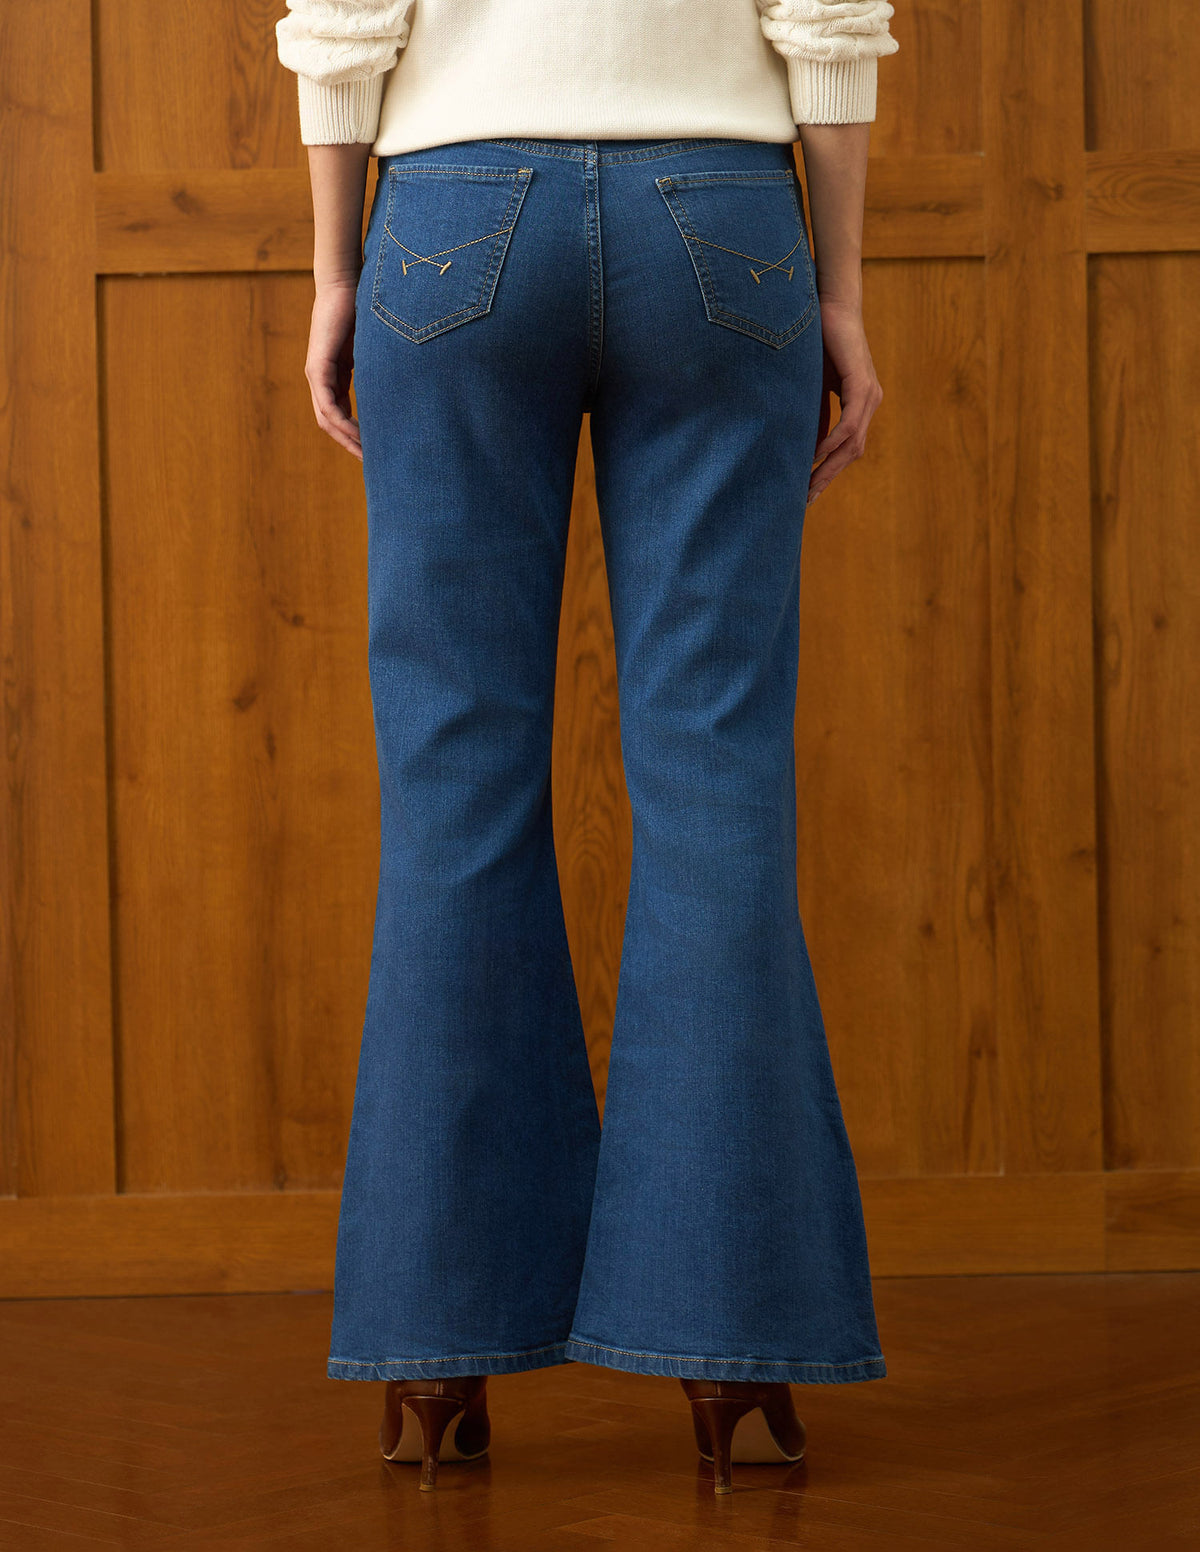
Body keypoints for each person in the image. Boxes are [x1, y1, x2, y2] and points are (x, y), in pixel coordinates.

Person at [275, 0, 900, 1496]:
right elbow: (827, 21)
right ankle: (731, 1349)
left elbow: (344, 23)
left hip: (454, 213)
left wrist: (335, 271)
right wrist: (842, 291)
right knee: (717, 781)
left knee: (455, 791)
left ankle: (435, 1355)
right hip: (724, 217)